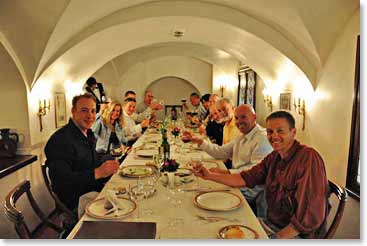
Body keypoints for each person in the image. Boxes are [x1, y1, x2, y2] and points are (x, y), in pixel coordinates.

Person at [192, 111, 329, 239]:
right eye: (270, 132)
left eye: (280, 131)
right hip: (271, 224)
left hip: (296, 234)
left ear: (293, 132)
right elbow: (244, 178)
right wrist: (209, 175)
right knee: (217, 227)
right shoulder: (275, 157)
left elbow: (309, 216)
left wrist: (276, 238)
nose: (274, 136)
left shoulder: (308, 158)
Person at [183, 104, 272, 217]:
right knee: (198, 188)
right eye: (237, 118)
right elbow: (221, 152)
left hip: (248, 190)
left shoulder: (262, 138)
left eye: (244, 117)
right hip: (235, 182)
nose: (239, 121)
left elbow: (254, 172)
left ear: (254, 117)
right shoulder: (242, 136)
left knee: (206, 198)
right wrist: (199, 141)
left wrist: (227, 172)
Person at [44, 94, 119, 211]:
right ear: (73, 111)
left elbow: (92, 162)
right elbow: (62, 183)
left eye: (93, 111)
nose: (90, 116)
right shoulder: (60, 140)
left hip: (94, 190)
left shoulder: (88, 134)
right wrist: (97, 173)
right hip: (77, 201)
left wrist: (108, 165)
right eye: (84, 110)